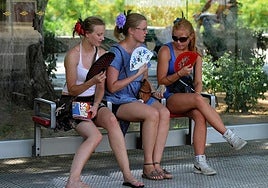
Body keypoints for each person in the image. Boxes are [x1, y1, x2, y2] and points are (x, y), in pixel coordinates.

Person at [157, 17, 247, 176]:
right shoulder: (166, 50)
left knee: (200, 115)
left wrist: (195, 97)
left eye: (182, 39)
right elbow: (161, 80)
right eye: (175, 38)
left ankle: (200, 162)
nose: (178, 42)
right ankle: (229, 135)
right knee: (199, 100)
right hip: (170, 96)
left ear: (190, 37)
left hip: (188, 96)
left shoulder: (195, 54)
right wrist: (179, 73)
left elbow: (198, 82)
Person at [62, 16, 144, 188]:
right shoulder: (73, 55)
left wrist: (95, 105)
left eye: (103, 34)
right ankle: (73, 180)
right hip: (73, 101)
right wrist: (91, 82)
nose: (102, 38)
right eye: (98, 35)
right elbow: (72, 90)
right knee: (95, 135)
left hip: (93, 101)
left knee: (112, 120)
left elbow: (101, 87)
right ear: (86, 34)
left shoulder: (103, 55)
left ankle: (127, 175)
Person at [105, 12, 172, 181]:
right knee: (152, 114)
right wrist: (137, 75)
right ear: (131, 31)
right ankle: (147, 165)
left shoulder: (141, 51)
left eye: (146, 29)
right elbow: (111, 87)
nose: (145, 33)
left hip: (138, 97)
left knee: (164, 112)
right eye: (143, 29)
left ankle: (156, 163)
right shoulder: (116, 52)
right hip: (119, 99)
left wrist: (153, 90)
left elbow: (143, 81)